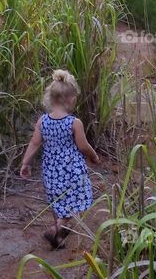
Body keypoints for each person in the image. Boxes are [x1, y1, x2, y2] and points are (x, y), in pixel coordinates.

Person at [19, 69, 101, 249]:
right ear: (70, 99)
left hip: (50, 170)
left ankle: (58, 237)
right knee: (75, 199)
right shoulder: (74, 123)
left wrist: (25, 163)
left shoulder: (43, 121)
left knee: (57, 201)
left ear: (50, 98)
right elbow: (83, 146)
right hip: (71, 170)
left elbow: (34, 143)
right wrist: (93, 156)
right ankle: (58, 227)